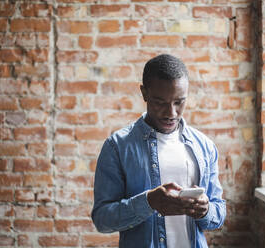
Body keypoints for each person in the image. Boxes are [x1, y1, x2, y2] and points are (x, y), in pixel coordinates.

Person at [91, 54, 226, 248]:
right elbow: (103, 220)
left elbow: (219, 213)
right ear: (144, 93)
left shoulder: (204, 146)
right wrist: (148, 202)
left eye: (179, 102)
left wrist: (206, 210)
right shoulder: (117, 147)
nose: (171, 113)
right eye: (160, 102)